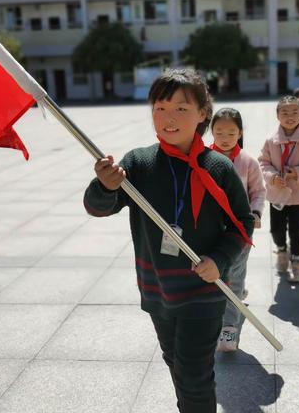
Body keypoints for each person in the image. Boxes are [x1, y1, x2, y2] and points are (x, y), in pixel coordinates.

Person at [83, 69, 254, 413]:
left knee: (192, 374)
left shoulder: (218, 168)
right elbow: (97, 208)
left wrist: (220, 260)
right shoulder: (139, 163)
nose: (168, 118)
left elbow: (242, 225)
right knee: (176, 362)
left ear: (203, 113)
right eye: (160, 108)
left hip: (204, 293)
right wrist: (104, 186)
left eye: (180, 109)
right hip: (158, 290)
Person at [209, 107, 265, 353]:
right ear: (211, 131)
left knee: (232, 275)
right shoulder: (201, 159)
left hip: (240, 231)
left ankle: (229, 327)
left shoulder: (248, 161)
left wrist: (256, 213)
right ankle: (223, 306)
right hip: (209, 230)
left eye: (231, 132)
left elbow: (259, 191)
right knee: (214, 274)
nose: (224, 137)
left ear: (240, 132)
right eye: (219, 131)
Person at [259, 95, 299, 283]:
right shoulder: (271, 140)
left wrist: (298, 173)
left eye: (295, 112)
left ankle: (296, 261)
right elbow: (263, 163)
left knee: (297, 230)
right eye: (285, 112)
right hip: (278, 194)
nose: (290, 116)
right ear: (277, 116)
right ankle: (281, 250)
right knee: (276, 229)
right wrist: (272, 177)